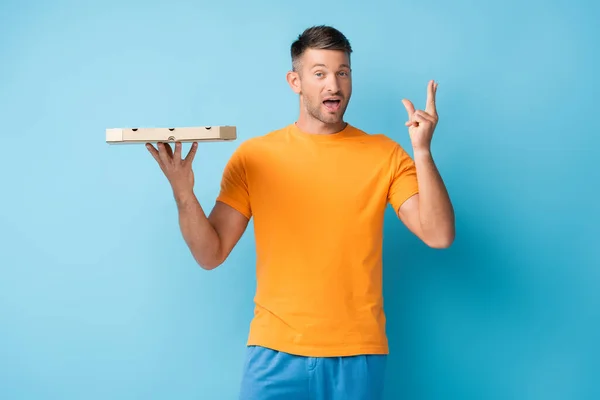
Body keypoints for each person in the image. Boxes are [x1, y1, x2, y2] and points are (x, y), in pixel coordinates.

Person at [146, 25, 454, 400]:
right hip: (273, 353)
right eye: (320, 73)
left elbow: (438, 235)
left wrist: (422, 152)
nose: (334, 85)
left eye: (342, 72)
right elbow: (210, 254)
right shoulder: (255, 157)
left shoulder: (384, 154)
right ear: (296, 81)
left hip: (357, 353)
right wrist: (183, 192)